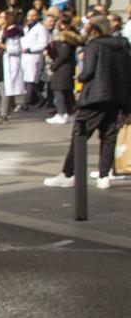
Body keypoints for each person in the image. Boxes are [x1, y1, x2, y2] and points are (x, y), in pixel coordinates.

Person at [44, 16, 130, 189]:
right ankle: (104, 175)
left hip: (95, 97)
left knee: (80, 135)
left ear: (95, 29)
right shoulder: (122, 46)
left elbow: (88, 72)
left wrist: (80, 74)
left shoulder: (94, 45)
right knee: (108, 136)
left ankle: (68, 173)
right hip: (116, 97)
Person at [46, 23, 80, 124]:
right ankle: (69, 112)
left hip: (62, 69)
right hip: (66, 69)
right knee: (66, 92)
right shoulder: (68, 43)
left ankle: (61, 113)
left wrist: (54, 65)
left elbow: (62, 56)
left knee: (59, 91)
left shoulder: (66, 43)